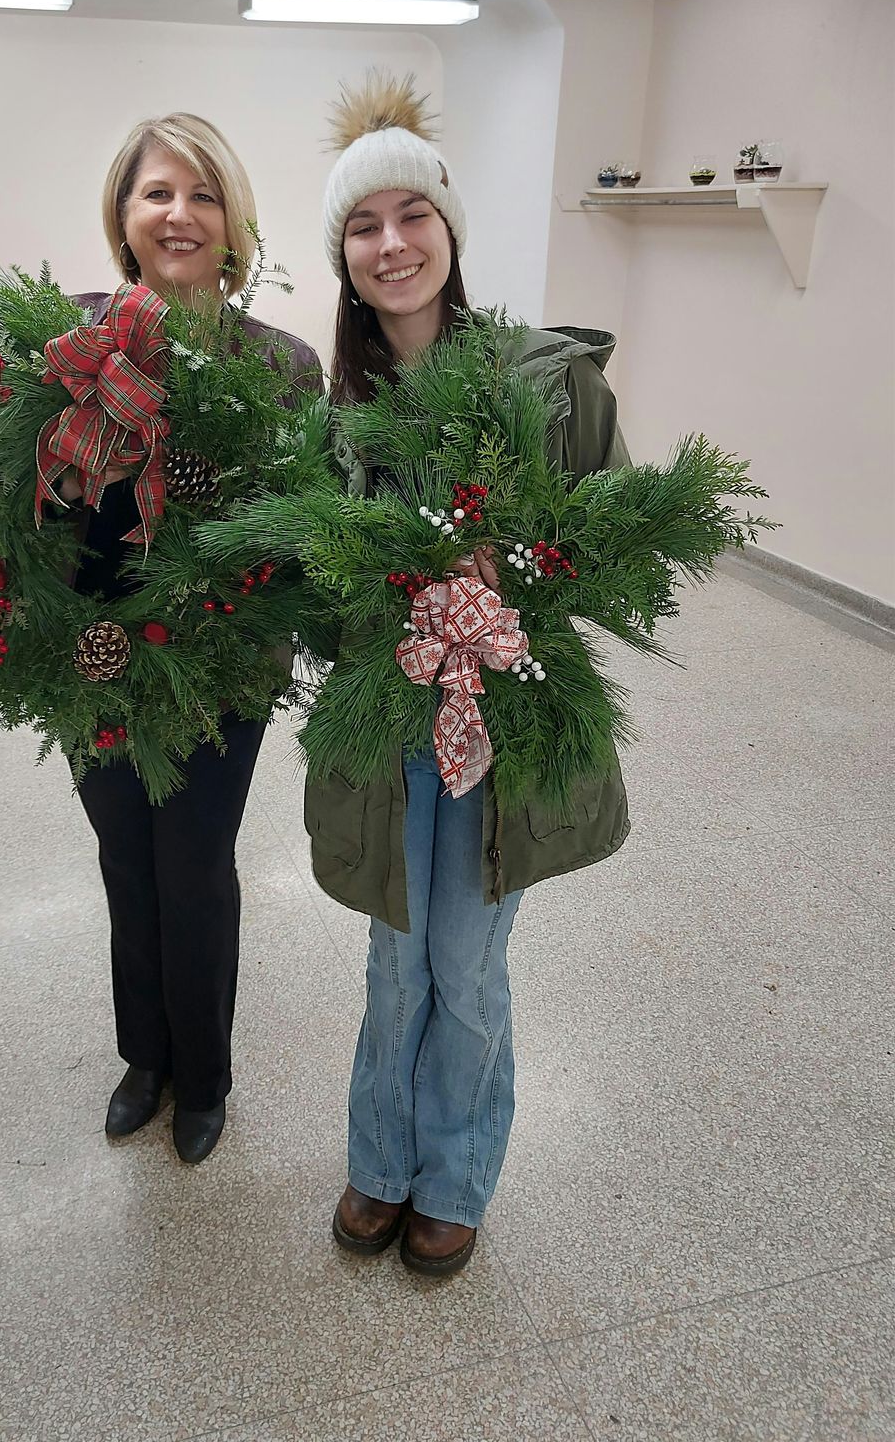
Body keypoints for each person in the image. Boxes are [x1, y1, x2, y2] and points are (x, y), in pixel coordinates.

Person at [307, 75, 631, 1273]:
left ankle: (454, 1173)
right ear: (343, 257)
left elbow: (622, 547)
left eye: (412, 216)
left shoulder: (541, 385)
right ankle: (380, 1161)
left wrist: (522, 578)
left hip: (503, 726)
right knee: (396, 956)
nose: (391, 245)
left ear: (449, 227)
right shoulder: (337, 416)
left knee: (466, 956)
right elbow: (306, 579)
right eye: (361, 225)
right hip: (390, 728)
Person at [62, 113, 321, 1164]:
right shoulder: (70, 339)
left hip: (221, 671)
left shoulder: (281, 365)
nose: (180, 214)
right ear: (125, 217)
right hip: (90, 662)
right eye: (158, 193)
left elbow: (301, 534)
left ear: (234, 222)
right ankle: (146, 1057)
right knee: (124, 858)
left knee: (196, 866)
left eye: (203, 195)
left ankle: (204, 1073)